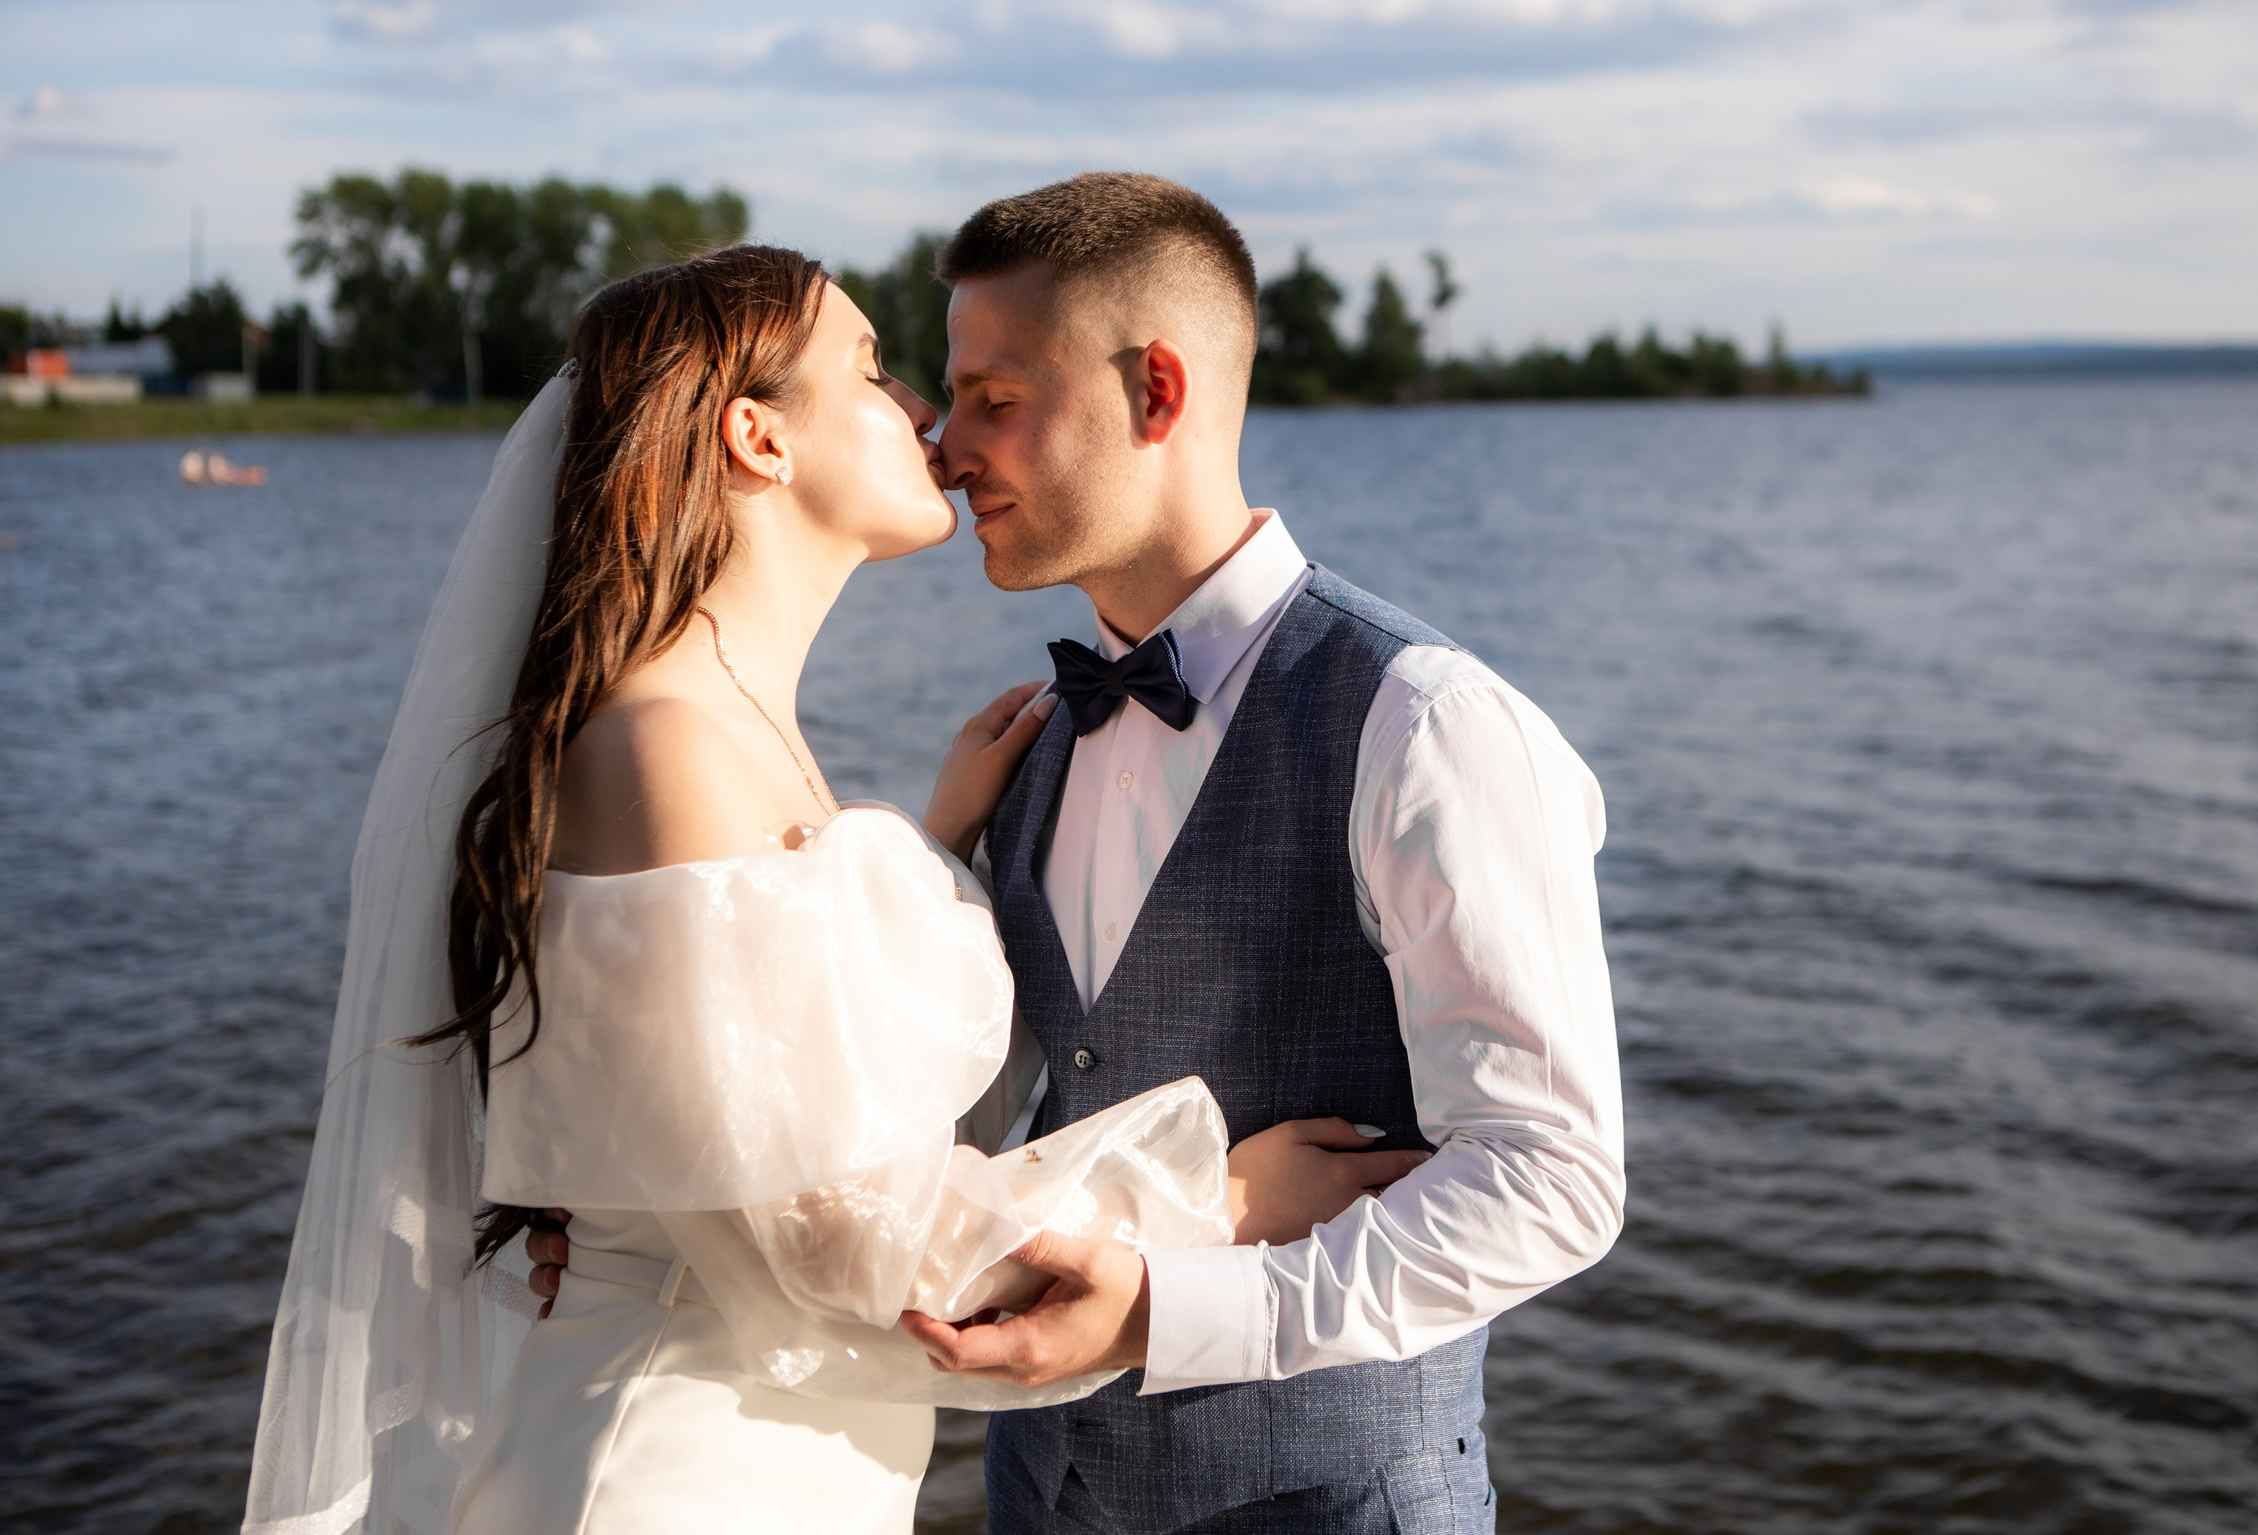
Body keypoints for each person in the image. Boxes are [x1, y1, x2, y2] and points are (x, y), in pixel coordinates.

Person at [244, 244, 1412, 1535]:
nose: (922, 411)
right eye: (868, 368)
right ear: (756, 436)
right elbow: (851, 1247)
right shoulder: (669, 745)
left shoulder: (720, 729)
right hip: (677, 1472)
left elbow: (789, 1098)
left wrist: (926, 853)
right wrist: (1226, 1203)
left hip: (776, 1456)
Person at [898, 174, 1631, 1530]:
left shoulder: (1425, 725)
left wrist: (1174, 1311)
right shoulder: (1031, 749)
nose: (946, 449)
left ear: (1156, 395)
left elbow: (1554, 1180)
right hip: (1042, 1493)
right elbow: (975, 1117)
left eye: (996, 398)